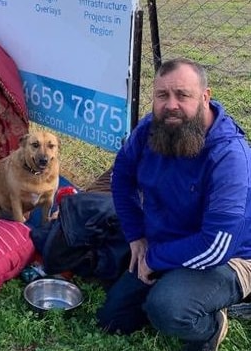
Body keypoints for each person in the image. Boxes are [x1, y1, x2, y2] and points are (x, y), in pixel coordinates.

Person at [96, 58, 251, 351]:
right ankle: (179, 290)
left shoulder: (231, 157)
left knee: (167, 307)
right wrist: (136, 237)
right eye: (162, 95)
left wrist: (154, 260)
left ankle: (212, 325)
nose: (171, 105)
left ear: (205, 97)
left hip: (231, 256)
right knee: (113, 319)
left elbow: (216, 244)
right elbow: (122, 178)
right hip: (165, 241)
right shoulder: (150, 129)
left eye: (183, 95)